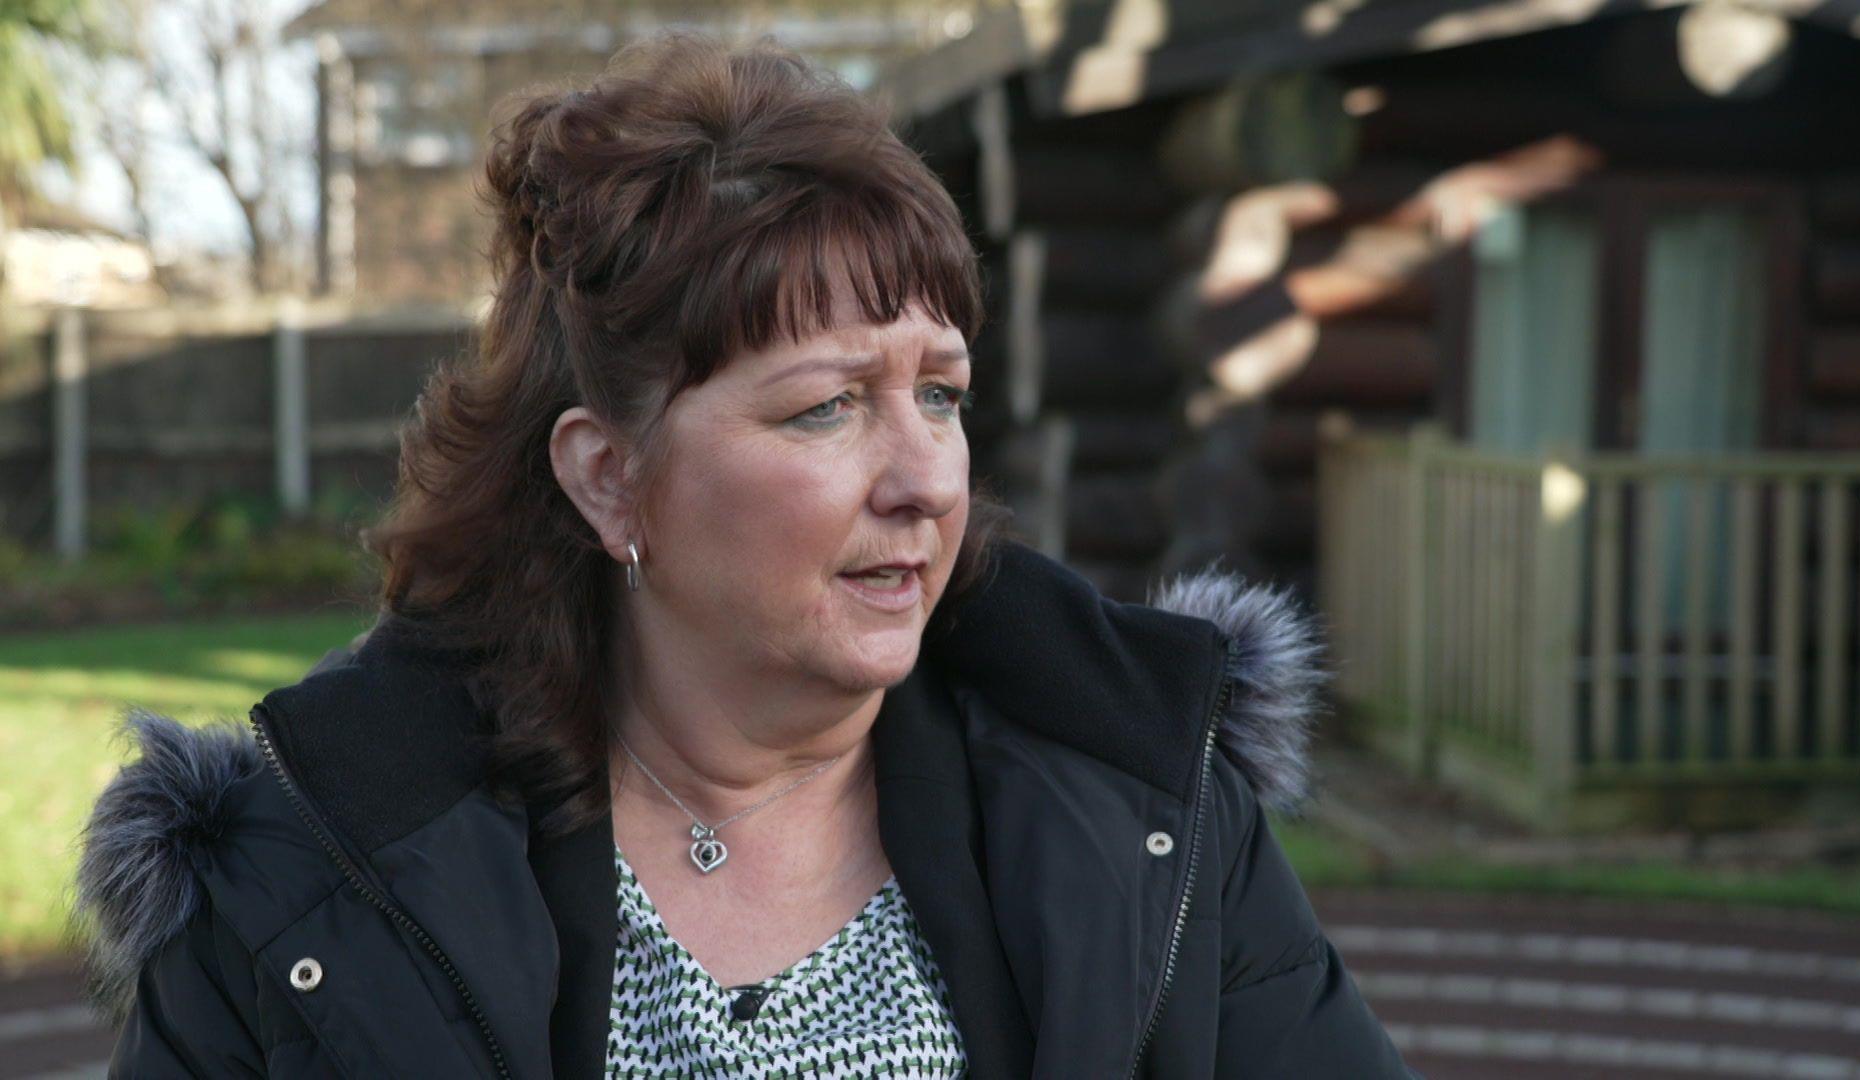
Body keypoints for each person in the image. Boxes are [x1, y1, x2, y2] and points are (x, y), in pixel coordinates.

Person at [71, 32, 1413, 1079]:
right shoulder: (306, 870)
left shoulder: (1142, 798)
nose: (922, 478)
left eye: (937, 393)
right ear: (610, 479)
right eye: (827, 405)